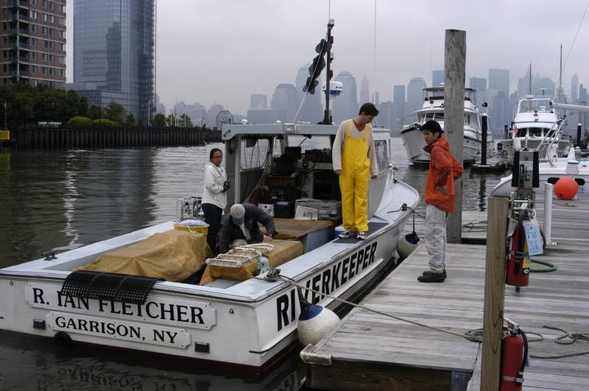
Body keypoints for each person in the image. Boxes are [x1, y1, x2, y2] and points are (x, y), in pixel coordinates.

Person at [417, 120, 463, 283]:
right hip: (444, 199)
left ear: (436, 134)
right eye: (424, 134)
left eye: (428, 134)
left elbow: (444, 167)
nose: (425, 137)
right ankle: (439, 268)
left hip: (437, 199)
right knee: (439, 234)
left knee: (433, 234)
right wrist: (448, 183)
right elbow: (457, 169)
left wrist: (440, 184)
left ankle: (436, 271)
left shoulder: (437, 149)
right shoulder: (443, 148)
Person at [332, 102, 379, 241]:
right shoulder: (345, 126)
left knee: (361, 199)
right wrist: (337, 166)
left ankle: (362, 228)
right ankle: (349, 228)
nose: (370, 121)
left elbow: (372, 150)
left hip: (362, 168)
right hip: (346, 168)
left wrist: (374, 170)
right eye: (369, 118)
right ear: (363, 114)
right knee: (347, 197)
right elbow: (336, 146)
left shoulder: (368, 129)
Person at [202, 148, 230, 253]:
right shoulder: (210, 169)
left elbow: (221, 182)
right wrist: (222, 188)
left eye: (220, 157)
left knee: (217, 228)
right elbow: (210, 185)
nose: (219, 159)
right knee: (211, 230)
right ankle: (208, 251)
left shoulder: (221, 169)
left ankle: (214, 249)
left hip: (218, 203)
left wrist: (226, 185)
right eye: (216, 157)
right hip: (210, 203)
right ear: (211, 158)